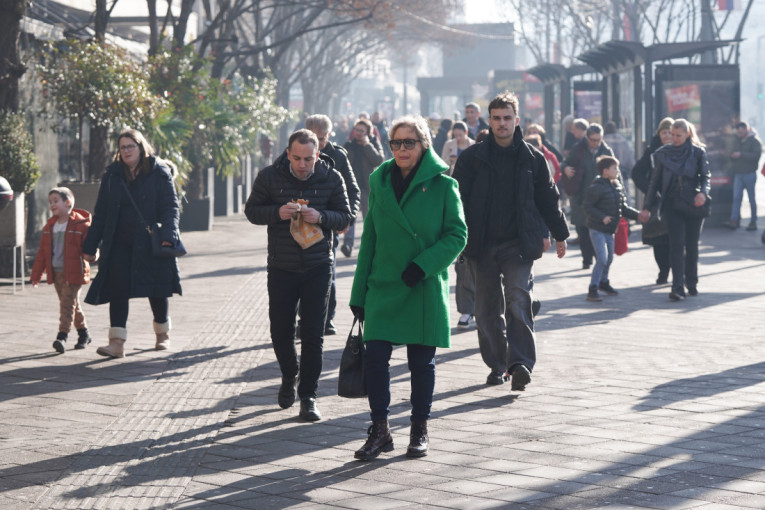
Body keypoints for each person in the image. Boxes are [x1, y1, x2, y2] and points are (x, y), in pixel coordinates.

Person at [350, 115, 467, 460]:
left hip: (422, 284)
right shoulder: (380, 182)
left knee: (421, 363)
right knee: (375, 360)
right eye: (396, 143)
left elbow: (457, 235)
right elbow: (369, 239)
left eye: (409, 142)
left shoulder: (445, 186)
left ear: (424, 144)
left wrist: (423, 265)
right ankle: (381, 430)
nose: (401, 149)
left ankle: (419, 429)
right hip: (384, 284)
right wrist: (358, 295)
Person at [452, 91, 569, 391]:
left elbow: (548, 198)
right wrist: (451, 236)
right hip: (481, 245)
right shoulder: (472, 159)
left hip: (518, 244)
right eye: (496, 118)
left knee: (519, 300)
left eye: (507, 118)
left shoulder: (533, 158)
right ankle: (497, 364)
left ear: (517, 120)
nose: (502, 124)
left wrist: (560, 234)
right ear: (488, 121)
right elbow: (455, 201)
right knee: (486, 311)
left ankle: (520, 365)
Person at [245, 129, 351, 421]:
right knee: (280, 330)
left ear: (317, 155)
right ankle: (289, 373)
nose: (302, 165)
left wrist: (322, 217)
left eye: (308, 159)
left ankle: (308, 396)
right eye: (297, 158)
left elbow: (346, 216)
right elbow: (252, 211)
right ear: (287, 154)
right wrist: (277, 212)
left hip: (318, 266)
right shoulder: (269, 176)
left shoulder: (331, 177)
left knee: (313, 334)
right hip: (281, 265)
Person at [82, 129, 182, 357]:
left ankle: (162, 334)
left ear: (141, 147)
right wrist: (90, 246)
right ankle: (116, 343)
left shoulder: (159, 172)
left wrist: (169, 236)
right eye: (122, 147)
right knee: (118, 290)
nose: (126, 150)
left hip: (150, 242)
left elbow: (170, 207)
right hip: (118, 243)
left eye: (130, 146)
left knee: (157, 289)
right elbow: (101, 213)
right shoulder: (112, 175)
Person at [639, 119, 711, 301]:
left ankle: (692, 282)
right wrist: (647, 207)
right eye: (672, 134)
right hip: (671, 203)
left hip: (693, 203)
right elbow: (654, 181)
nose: (675, 138)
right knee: (676, 244)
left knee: (692, 245)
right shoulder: (663, 154)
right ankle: (677, 286)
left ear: (687, 134)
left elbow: (705, 177)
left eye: (678, 135)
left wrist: (702, 193)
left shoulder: (698, 152)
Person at [305, 114, 361, 335]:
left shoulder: (337, 156)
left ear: (329, 135)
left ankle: (327, 317)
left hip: (329, 223)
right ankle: (305, 318)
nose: (318, 143)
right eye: (314, 138)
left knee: (329, 272)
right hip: (299, 225)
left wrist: (348, 218)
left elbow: (353, 190)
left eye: (322, 138)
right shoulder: (294, 151)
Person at [30, 187, 92, 353]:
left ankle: (62, 336)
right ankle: (84, 333)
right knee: (71, 305)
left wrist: (93, 256)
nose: (52, 204)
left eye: (55, 201)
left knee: (66, 305)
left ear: (68, 202)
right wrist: (36, 275)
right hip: (56, 272)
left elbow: (91, 246)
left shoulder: (81, 224)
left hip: (74, 272)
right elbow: (43, 253)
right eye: (50, 202)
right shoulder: (49, 226)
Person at [582, 156, 641, 301]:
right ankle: (593, 288)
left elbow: (623, 208)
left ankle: (604, 281)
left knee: (609, 258)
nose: (618, 171)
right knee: (602, 258)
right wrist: (602, 217)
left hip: (610, 229)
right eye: (615, 168)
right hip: (597, 228)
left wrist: (638, 215)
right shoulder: (596, 187)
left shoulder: (617, 186)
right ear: (605, 171)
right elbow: (587, 207)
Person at [560, 123, 614, 270]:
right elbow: (564, 163)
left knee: (598, 229)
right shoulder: (578, 149)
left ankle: (599, 260)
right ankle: (586, 260)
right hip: (581, 196)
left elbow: (616, 173)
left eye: (598, 140)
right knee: (583, 230)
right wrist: (565, 168)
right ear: (587, 137)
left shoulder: (606, 150)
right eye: (593, 140)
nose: (596, 143)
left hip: (601, 199)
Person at [632, 117, 673, 285]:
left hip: (674, 201)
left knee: (674, 239)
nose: (668, 135)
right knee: (658, 240)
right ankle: (663, 272)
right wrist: (650, 189)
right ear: (659, 134)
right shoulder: (652, 151)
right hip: (655, 203)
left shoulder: (680, 148)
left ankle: (675, 273)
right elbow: (636, 173)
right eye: (664, 132)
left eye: (670, 132)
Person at [342, 118, 384, 257]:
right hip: (350, 188)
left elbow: (378, 160)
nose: (358, 133)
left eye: (362, 131)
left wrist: (367, 145)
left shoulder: (372, 143)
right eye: (357, 130)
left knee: (369, 219)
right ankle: (348, 245)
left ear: (368, 132)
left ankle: (371, 246)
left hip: (367, 187)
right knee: (351, 217)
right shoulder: (349, 145)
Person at [726, 121, 763, 230]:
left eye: (742, 132)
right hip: (738, 173)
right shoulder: (738, 140)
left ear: (747, 130)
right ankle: (734, 220)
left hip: (749, 173)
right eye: (739, 132)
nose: (740, 134)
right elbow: (731, 152)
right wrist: (732, 155)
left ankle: (753, 221)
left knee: (751, 198)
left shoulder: (755, 141)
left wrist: (741, 155)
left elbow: (756, 156)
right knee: (736, 198)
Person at [603, 121, 636, 205]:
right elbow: (630, 161)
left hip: (606, 174)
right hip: (622, 173)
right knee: (624, 195)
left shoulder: (603, 142)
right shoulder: (624, 141)